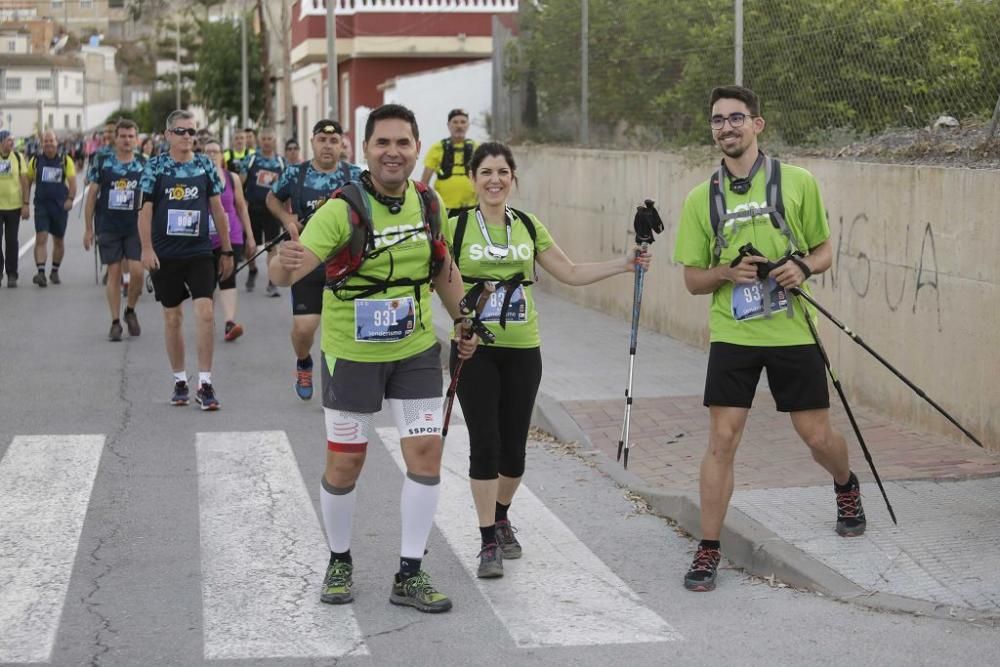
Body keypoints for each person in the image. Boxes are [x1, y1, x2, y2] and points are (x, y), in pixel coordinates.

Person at [270, 103, 479, 614]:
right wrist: (282, 264)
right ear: (364, 149)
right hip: (352, 355)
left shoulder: (429, 204)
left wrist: (465, 321)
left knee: (426, 456)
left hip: (414, 352)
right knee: (346, 464)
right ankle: (339, 559)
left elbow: (441, 268)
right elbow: (287, 274)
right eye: (382, 143)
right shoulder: (341, 209)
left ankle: (410, 571)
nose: (393, 152)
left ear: (414, 148)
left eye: (402, 143)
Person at [672, 85, 865, 593]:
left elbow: (824, 250)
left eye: (736, 118)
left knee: (816, 437)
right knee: (723, 438)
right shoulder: (701, 198)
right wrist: (726, 273)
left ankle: (845, 485)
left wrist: (800, 267)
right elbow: (693, 280)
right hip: (733, 332)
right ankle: (708, 548)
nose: (726, 127)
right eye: (717, 120)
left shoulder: (798, 183)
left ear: (758, 124)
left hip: (791, 328)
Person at [444, 141, 651, 578]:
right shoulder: (456, 227)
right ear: (474, 180)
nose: (495, 179)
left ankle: (501, 514)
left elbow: (571, 272)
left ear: (513, 179)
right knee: (484, 444)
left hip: (523, 351)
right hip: (474, 350)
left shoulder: (527, 225)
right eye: (486, 172)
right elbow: (433, 283)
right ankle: (486, 541)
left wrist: (624, 263)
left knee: (514, 453)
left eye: (503, 172)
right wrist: (456, 326)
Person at [138, 109, 235, 411]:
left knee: (206, 313)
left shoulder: (205, 165)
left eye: (192, 132)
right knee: (172, 318)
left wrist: (228, 250)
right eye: (181, 131)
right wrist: (146, 249)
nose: (188, 137)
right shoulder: (155, 167)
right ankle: (180, 379)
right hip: (165, 254)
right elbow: (145, 211)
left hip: (199, 253)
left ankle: (205, 382)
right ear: (168, 135)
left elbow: (218, 210)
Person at [267, 119, 361, 399]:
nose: (328, 146)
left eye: (334, 141)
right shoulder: (295, 174)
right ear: (313, 142)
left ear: (342, 144)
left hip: (346, 264)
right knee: (304, 328)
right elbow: (272, 198)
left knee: (346, 329)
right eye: (322, 140)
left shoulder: (355, 175)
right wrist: (287, 219)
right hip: (306, 261)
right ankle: (303, 361)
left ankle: (342, 385)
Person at [84, 119, 147, 341]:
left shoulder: (144, 163)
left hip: (135, 226)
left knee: (138, 272)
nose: (127, 140)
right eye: (123, 136)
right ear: (116, 138)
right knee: (114, 272)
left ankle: (130, 310)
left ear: (136, 139)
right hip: (108, 225)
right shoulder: (103, 161)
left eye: (131, 136)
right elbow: (92, 195)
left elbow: (151, 198)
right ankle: (114, 322)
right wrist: (88, 229)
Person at [203, 138, 256, 340]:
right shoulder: (197, 177)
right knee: (207, 280)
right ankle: (207, 321)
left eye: (215, 152)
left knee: (228, 277)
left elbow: (241, 207)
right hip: (205, 238)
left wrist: (250, 236)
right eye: (207, 152)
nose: (211, 155)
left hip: (231, 235)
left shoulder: (231, 178)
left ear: (221, 156)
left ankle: (229, 322)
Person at [26, 130, 77, 287]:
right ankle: (41, 273)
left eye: (51, 141)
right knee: (41, 237)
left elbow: (73, 183)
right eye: (45, 141)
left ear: (57, 143)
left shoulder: (65, 160)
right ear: (42, 144)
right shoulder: (35, 160)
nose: (48, 144)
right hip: (41, 205)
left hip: (59, 206)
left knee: (59, 240)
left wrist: (70, 199)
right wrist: (25, 203)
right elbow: (27, 182)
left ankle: (54, 271)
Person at [239, 127, 285, 293]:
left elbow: (286, 189)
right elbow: (240, 185)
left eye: (269, 138)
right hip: (253, 209)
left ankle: (272, 281)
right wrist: (241, 205)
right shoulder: (250, 160)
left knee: (272, 246)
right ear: (259, 141)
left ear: (274, 140)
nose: (266, 142)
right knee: (250, 247)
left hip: (272, 210)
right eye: (264, 138)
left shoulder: (281, 162)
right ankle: (252, 270)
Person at [420, 108, 478, 216]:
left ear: (468, 125)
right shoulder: (437, 148)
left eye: (463, 122)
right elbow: (424, 181)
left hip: (471, 206)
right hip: (444, 207)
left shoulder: (476, 148)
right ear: (448, 125)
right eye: (455, 122)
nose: (459, 126)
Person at [0, 130, 30, 288]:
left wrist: (26, 204)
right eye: (8, 140)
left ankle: (12, 273)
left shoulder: (18, 158)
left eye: (12, 140)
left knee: (11, 241)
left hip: (13, 206)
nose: (12, 143)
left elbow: (25, 181)